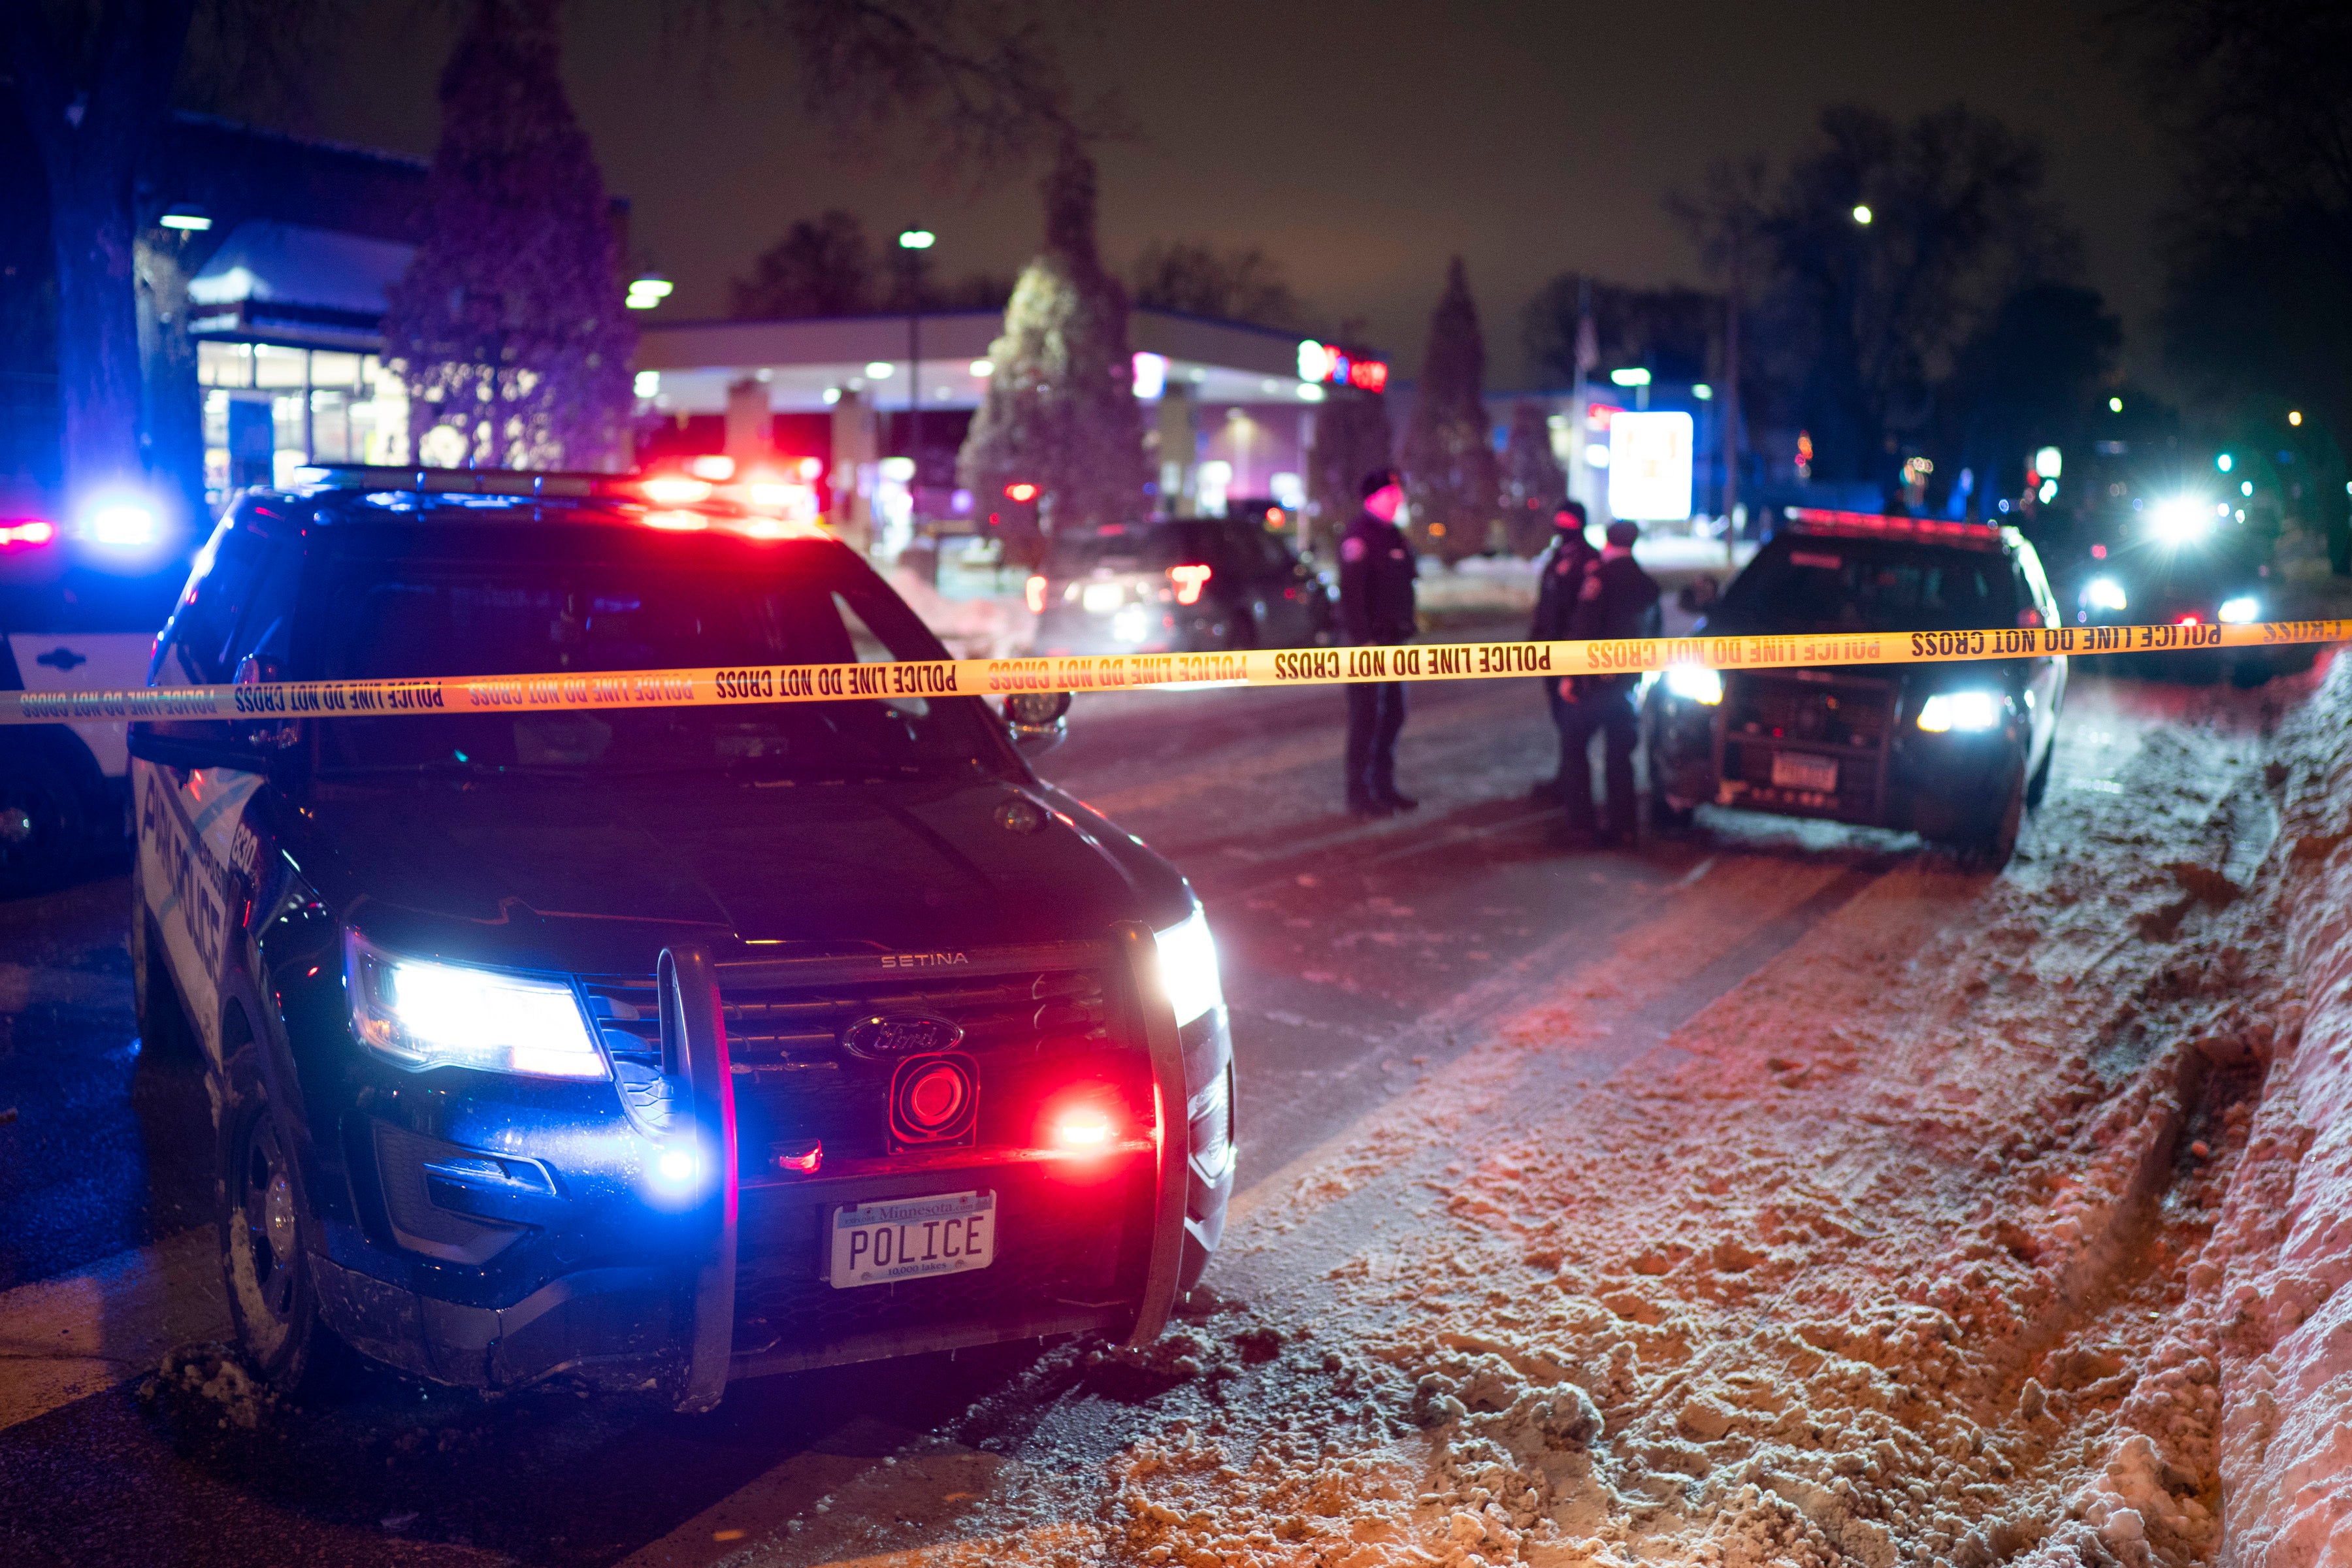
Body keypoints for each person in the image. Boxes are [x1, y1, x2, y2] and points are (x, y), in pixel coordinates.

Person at [1554, 519, 1661, 848]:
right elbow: (1655, 638)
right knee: (1620, 757)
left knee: (1574, 750)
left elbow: (1584, 628)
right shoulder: (1648, 584)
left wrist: (1570, 677)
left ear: (1608, 543)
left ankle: (1582, 827)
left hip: (1593, 685)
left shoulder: (1599, 578)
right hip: (1627, 687)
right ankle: (1624, 829)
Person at [1339, 467, 1418, 817]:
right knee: (1366, 719)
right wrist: (1362, 640)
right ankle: (1360, 795)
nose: (1398, 499)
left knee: (1393, 717)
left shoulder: (1394, 536)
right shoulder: (1360, 536)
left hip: (1393, 645)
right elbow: (1353, 595)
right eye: (1391, 493)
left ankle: (1384, 789)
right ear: (1373, 498)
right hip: (1367, 647)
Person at [1526, 501, 1599, 803]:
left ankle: (1573, 788)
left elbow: (1586, 611)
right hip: (1549, 652)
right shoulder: (1557, 557)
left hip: (1571, 653)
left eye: (1567, 521)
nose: (1561, 526)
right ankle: (1566, 778)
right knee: (1561, 718)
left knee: (1574, 721)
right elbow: (1546, 603)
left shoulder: (1590, 560)